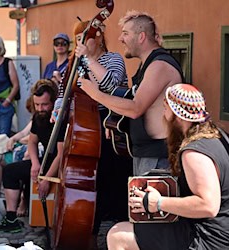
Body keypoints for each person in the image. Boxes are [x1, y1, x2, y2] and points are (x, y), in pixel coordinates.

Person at [107, 83, 229, 249]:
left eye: (165, 107)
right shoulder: (219, 137)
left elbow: (208, 205)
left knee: (118, 234)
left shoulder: (193, 153)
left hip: (210, 240)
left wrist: (159, 202)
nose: (164, 113)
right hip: (225, 234)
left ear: (177, 114)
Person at [78, 10, 184, 176]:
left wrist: (96, 94)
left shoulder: (159, 66)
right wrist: (117, 122)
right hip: (144, 153)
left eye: (125, 33)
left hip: (158, 155)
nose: (120, 39)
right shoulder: (147, 65)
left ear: (141, 37)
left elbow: (136, 108)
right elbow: (139, 102)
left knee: (148, 202)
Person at [70, 21, 133, 233]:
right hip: (86, 125)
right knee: (93, 180)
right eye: (77, 39)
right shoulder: (78, 62)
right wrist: (59, 105)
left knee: (111, 178)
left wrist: (87, 60)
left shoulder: (113, 59)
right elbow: (66, 91)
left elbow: (111, 86)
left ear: (97, 38)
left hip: (110, 127)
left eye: (84, 38)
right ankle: (89, 228)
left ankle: (118, 230)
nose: (79, 43)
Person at [0, 80, 65, 232]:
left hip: (60, 164)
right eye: (37, 105)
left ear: (53, 102)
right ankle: (11, 217)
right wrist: (35, 163)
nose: (41, 109)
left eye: (45, 104)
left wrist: (46, 178)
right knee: (9, 171)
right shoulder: (38, 117)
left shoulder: (60, 120)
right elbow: (32, 142)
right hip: (46, 160)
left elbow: (61, 155)